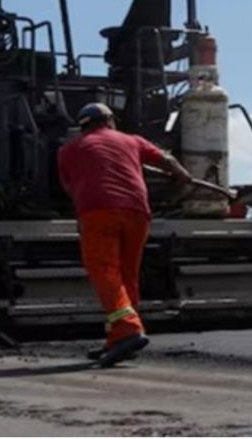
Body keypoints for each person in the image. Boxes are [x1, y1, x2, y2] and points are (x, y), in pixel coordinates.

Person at [57, 102, 193, 367]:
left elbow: (68, 187)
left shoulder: (68, 150)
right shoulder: (131, 140)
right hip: (137, 212)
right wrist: (182, 175)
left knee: (105, 271)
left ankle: (128, 328)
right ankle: (119, 340)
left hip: (98, 211)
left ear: (82, 126)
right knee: (126, 275)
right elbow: (167, 160)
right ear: (108, 120)